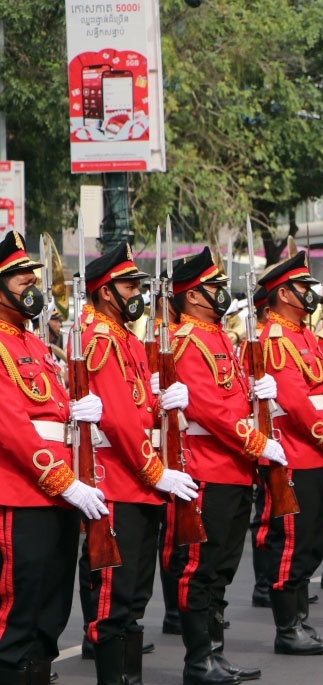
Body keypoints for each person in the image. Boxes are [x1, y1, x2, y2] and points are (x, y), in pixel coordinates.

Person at [78, 243, 199, 684]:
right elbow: (119, 420)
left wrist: (162, 401)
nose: (137, 293)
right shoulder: (100, 338)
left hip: (139, 483)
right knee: (114, 599)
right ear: (106, 292)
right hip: (120, 483)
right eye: (130, 285)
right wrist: (157, 472)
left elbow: (138, 408)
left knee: (134, 598)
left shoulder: (126, 338)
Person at [166, 248, 286, 684]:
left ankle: (215, 654)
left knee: (221, 570)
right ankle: (198, 660)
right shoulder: (187, 341)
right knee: (199, 568)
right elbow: (208, 410)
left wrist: (259, 395)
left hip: (234, 469)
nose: (222, 294)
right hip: (208, 469)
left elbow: (232, 401)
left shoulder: (219, 338)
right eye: (214, 288)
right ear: (193, 297)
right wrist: (258, 442)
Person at [0, 232, 107, 685]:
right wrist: (65, 481)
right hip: (23, 492)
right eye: (19, 275)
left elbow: (54, 413)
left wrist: (86, 414)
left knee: (52, 607)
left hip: (59, 495)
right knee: (17, 611)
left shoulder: (37, 345)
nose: (31, 282)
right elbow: (14, 428)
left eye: (31, 275)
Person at [256, 252, 323, 655]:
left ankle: (301, 621)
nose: (311, 293)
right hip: (297, 454)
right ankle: (288, 628)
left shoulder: (306, 336)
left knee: (315, 541)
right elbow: (297, 403)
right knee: (294, 544)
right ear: (283, 293)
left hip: (318, 454)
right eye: (303, 287)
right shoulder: (276, 339)